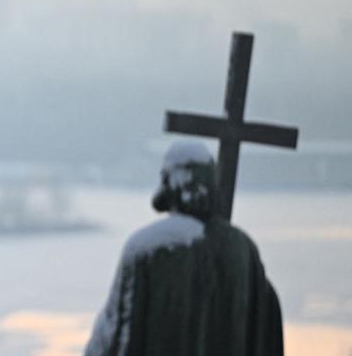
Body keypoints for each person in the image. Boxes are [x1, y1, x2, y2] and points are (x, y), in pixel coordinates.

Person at [84, 141, 283, 356]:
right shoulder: (243, 249)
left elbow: (119, 333)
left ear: (169, 182)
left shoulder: (145, 248)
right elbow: (266, 331)